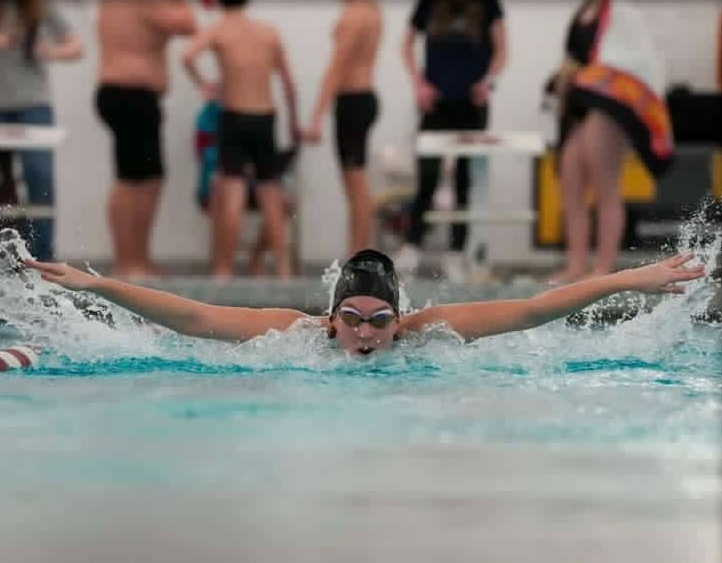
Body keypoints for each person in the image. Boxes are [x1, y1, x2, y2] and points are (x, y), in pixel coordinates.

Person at [24, 248, 705, 356]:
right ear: (332, 315)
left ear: (399, 317)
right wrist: (100, 284)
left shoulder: (424, 333)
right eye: (353, 318)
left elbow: (534, 307)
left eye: (381, 320)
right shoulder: (298, 333)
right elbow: (197, 316)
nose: (367, 334)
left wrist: (625, 279)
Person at [547, 0, 674, 285]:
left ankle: (603, 268)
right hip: (579, 108)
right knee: (571, 182)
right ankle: (576, 264)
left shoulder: (624, 15)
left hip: (607, 108)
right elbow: (574, 58)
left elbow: (638, 63)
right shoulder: (581, 12)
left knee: (606, 186)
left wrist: (589, 76)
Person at [183, 0, 300, 279]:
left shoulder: (219, 29)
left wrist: (205, 85)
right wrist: (294, 124)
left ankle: (224, 269)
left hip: (234, 115)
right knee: (270, 192)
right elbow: (288, 83)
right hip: (264, 117)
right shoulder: (268, 31)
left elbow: (187, 56)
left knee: (232, 190)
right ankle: (284, 271)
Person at [394, 0, 507, 282]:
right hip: (436, 102)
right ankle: (412, 245)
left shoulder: (488, 6)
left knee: (464, 179)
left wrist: (489, 82)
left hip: (472, 103)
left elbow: (502, 50)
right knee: (427, 177)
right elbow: (406, 44)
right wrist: (418, 83)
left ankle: (457, 251)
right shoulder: (428, 5)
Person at [95, 0, 197, 278]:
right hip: (130, 96)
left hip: (129, 96)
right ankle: (129, 264)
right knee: (133, 182)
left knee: (145, 181)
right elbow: (187, 23)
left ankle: (135, 260)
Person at [0, 0, 83, 261]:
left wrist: (47, 51)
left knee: (39, 176)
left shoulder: (41, 8)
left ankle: (43, 254)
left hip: (34, 104)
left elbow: (76, 47)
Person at [303, 0, 383, 256]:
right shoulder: (372, 11)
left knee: (355, 183)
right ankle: (357, 253)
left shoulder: (353, 15)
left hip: (353, 102)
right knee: (356, 182)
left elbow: (337, 67)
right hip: (362, 99)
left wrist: (317, 117)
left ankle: (357, 256)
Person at [194, 99, 298, 276]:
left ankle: (259, 256)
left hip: (254, 182)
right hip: (226, 180)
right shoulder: (214, 114)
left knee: (281, 200)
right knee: (224, 191)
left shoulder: (262, 117)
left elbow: (271, 162)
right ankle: (222, 266)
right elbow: (206, 153)